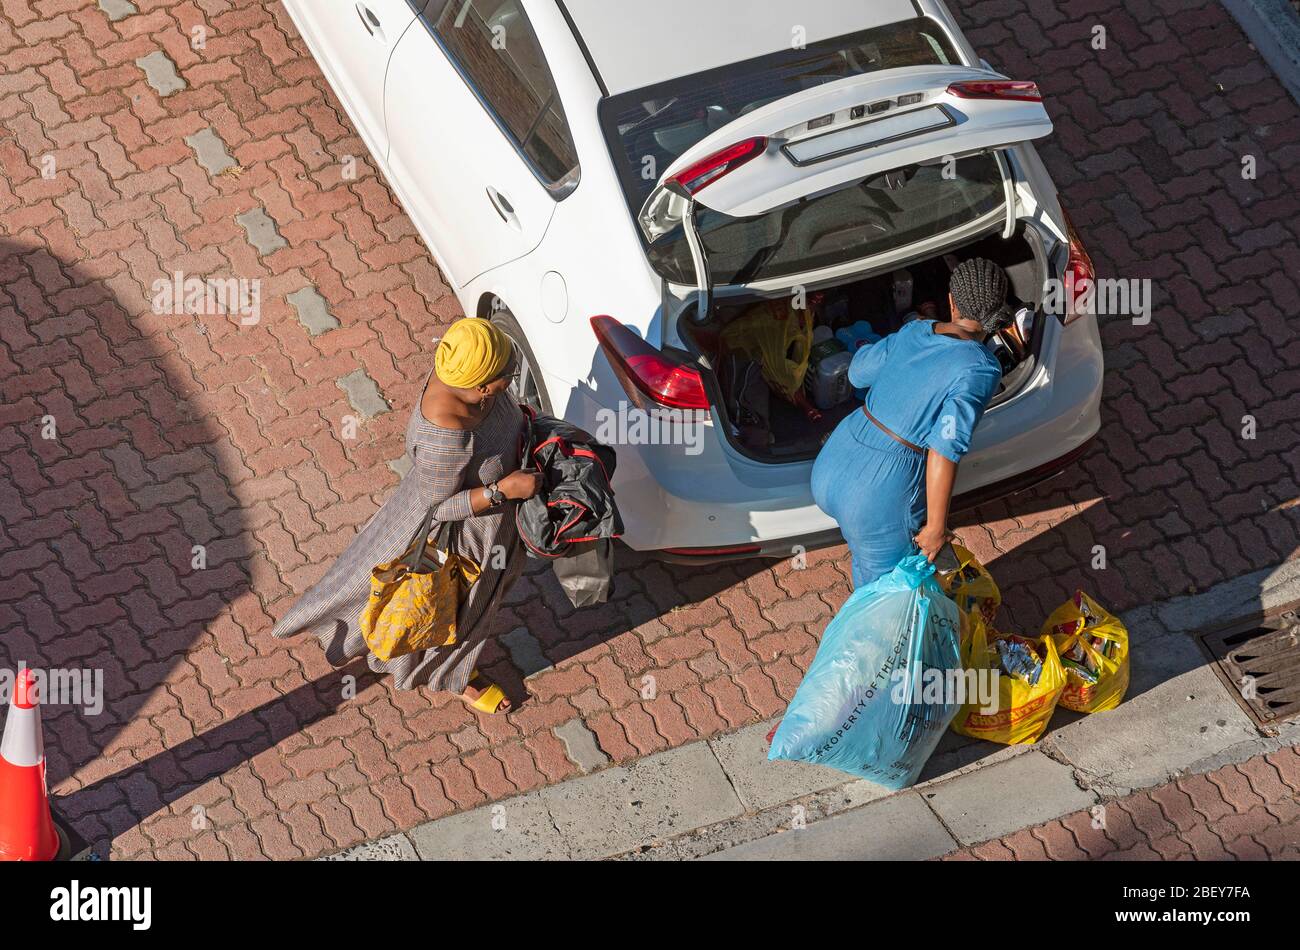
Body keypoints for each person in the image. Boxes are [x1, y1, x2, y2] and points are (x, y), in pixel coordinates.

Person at [272, 317, 541, 713]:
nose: (510, 381)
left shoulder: (461, 370)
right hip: (465, 539)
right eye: (507, 375)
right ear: (482, 386)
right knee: (454, 615)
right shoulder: (446, 436)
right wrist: (502, 490)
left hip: (496, 521)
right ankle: (453, 676)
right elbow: (437, 507)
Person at [811, 258, 1012, 588]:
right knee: (884, 597)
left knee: (868, 556)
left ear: (951, 300)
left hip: (833, 463)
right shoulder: (980, 368)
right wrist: (935, 528)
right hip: (877, 493)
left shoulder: (915, 329)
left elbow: (858, 373)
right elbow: (944, 450)